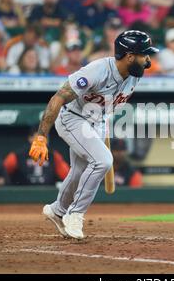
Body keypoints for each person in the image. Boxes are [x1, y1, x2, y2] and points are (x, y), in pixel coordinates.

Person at [29, 30, 159, 239]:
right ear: (129, 56)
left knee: (80, 171)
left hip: (98, 121)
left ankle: (58, 210)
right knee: (103, 161)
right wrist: (41, 136)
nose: (148, 60)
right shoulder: (97, 71)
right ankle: (75, 214)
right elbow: (58, 98)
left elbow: (109, 102)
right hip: (72, 117)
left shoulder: (134, 73)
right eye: (144, 54)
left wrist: (104, 120)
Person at [3, 126, 69, 185]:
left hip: (46, 194)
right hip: (23, 194)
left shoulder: (53, 156)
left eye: (45, 137)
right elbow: (2, 174)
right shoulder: (18, 156)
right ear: (30, 138)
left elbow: (68, 176)